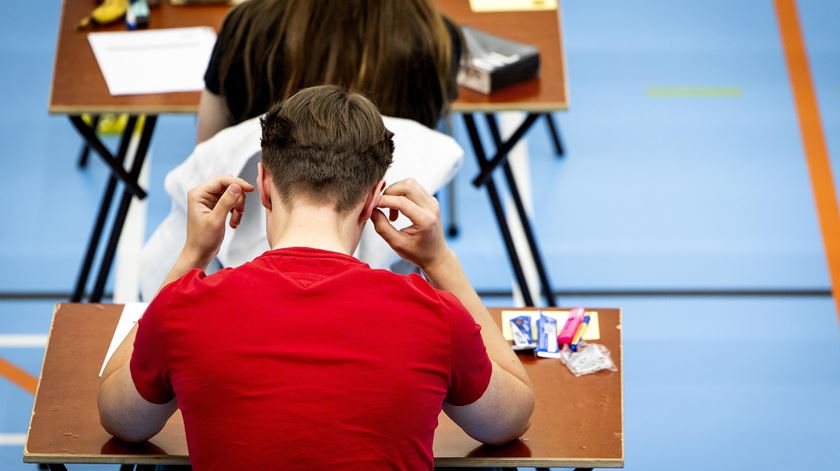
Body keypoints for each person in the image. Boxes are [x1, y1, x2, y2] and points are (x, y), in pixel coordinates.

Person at [99, 86, 534, 470]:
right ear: (372, 201)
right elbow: (510, 418)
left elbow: (119, 416)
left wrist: (192, 256)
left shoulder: (183, 308)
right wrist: (440, 262)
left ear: (264, 184)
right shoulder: (436, 316)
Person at [197, 0, 462, 143]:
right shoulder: (436, 37)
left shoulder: (247, 26)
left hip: (261, 228)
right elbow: (427, 148)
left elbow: (208, 151)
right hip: (393, 227)